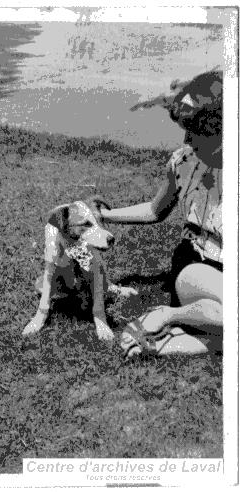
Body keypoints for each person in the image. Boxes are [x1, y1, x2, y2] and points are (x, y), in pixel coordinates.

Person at [100, 70, 223, 358]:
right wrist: (106, 215)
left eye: (197, 132)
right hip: (201, 264)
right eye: (186, 130)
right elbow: (155, 210)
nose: (188, 140)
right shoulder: (183, 162)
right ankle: (167, 315)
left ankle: (169, 341)